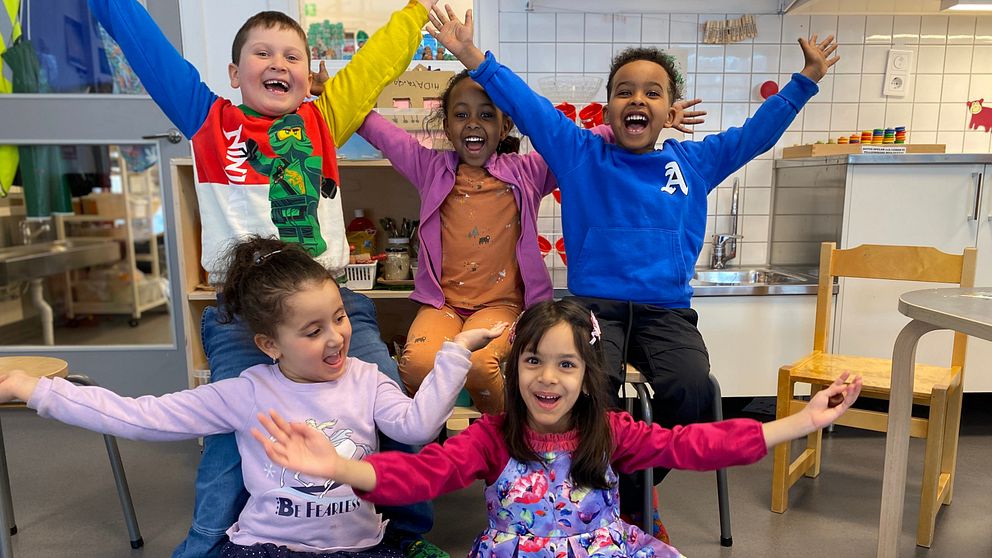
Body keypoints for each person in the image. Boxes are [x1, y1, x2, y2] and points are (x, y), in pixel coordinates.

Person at [425, 4, 840, 533]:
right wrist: (469, 55)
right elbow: (527, 107)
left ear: (670, 112)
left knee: (692, 388)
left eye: (652, 92)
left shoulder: (693, 162)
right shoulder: (579, 153)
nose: (637, 99)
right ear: (608, 108)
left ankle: (637, 489)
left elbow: (756, 134)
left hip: (666, 312)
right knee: (590, 390)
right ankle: (597, 497)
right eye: (624, 90)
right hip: (593, 310)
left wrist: (805, 81)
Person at [86, 1, 446, 556]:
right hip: (245, 317)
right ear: (235, 75)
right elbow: (151, 55)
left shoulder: (323, 120)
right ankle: (206, 542)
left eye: (292, 56)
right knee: (233, 439)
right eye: (263, 53)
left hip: (331, 308)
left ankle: (404, 535)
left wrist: (417, 11)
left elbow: (374, 64)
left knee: (394, 410)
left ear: (309, 75)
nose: (279, 63)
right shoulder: (210, 120)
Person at [0, 236, 507, 558]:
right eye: (312, 330)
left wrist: (454, 354)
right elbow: (141, 417)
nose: (335, 337)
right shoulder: (247, 392)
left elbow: (416, 428)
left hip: (361, 546)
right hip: (268, 547)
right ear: (269, 344)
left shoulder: (366, 377)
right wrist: (34, 389)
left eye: (339, 317)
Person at [253, 299, 863, 557]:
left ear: (587, 375)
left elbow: (694, 445)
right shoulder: (492, 437)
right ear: (515, 368)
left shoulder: (611, 432)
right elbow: (420, 473)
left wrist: (802, 421)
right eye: (533, 361)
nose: (548, 378)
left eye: (566, 364)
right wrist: (337, 468)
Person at [308, 62, 704, 417]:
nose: (473, 124)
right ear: (446, 126)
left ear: (505, 126)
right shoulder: (430, 167)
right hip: (443, 305)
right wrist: (333, 94)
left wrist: (640, 117)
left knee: (482, 364)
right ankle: (428, 446)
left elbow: (571, 140)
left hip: (503, 305)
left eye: (486, 115)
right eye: (461, 115)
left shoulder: (529, 171)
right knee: (417, 364)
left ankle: (506, 443)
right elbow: (383, 134)